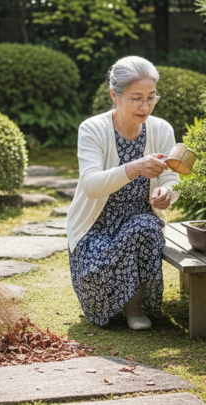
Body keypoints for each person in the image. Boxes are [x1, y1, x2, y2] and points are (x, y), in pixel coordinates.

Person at [67, 56, 180, 330]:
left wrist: (167, 192)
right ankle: (105, 300)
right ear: (114, 96)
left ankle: (134, 308)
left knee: (145, 228)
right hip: (96, 223)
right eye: (136, 98)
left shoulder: (161, 129)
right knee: (95, 277)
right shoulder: (92, 129)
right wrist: (133, 168)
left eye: (151, 97)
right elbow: (90, 184)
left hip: (140, 216)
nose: (145, 106)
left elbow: (171, 177)